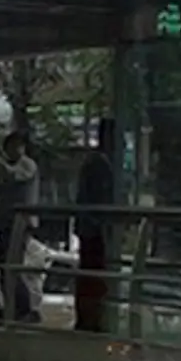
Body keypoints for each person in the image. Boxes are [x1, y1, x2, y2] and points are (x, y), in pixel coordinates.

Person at [0, 131, 41, 322]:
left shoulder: (27, 165)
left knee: (12, 266)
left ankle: (25, 309)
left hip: (19, 223)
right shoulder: (13, 166)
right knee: (4, 266)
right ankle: (12, 308)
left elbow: (13, 176)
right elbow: (2, 188)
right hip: (6, 222)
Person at [73, 119, 116, 333]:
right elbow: (95, 199)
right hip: (94, 229)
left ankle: (89, 318)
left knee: (90, 274)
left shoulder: (95, 162)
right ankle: (90, 319)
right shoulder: (100, 164)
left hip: (90, 227)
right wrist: (100, 224)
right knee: (93, 274)